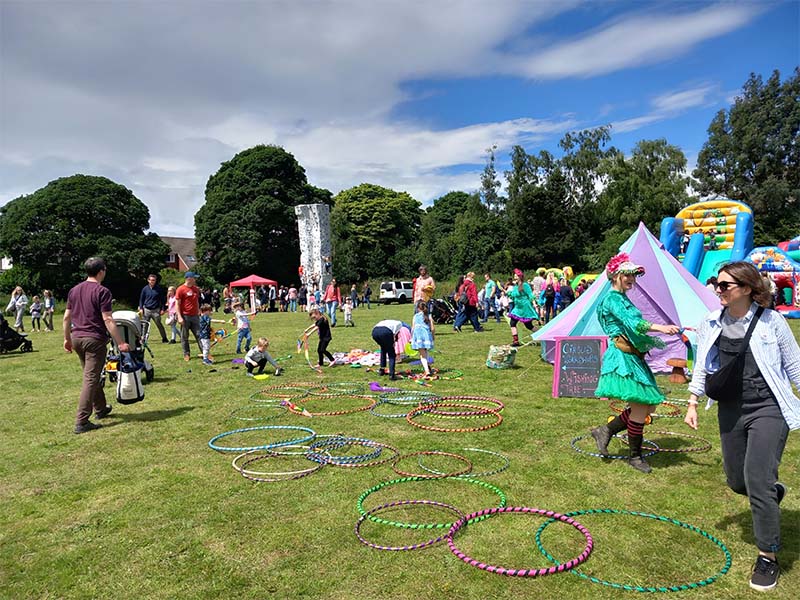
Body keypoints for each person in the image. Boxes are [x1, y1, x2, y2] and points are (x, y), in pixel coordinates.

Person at [684, 261, 800, 592]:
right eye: (716, 285)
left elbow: (794, 365)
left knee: (758, 479)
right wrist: (692, 402)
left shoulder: (771, 322)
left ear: (747, 289)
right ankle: (772, 494)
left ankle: (768, 557)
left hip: (768, 408)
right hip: (730, 409)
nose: (717, 290)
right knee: (737, 481)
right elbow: (702, 367)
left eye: (725, 286)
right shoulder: (710, 322)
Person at [589, 252, 680, 473]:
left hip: (632, 355)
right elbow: (633, 323)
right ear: (615, 275)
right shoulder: (612, 299)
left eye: (633, 275)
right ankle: (635, 456)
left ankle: (606, 430)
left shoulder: (621, 297)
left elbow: (632, 324)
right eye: (627, 274)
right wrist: (662, 328)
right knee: (641, 406)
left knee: (648, 404)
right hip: (622, 356)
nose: (631, 279)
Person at [63, 257, 130, 434]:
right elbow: (107, 318)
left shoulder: (74, 290)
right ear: (101, 271)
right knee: (91, 378)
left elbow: (66, 317)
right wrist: (121, 342)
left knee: (91, 374)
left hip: (77, 337)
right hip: (94, 340)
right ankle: (81, 421)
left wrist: (66, 339)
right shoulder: (102, 291)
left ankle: (101, 408)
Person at [175, 271, 203, 362]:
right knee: (185, 336)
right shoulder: (180, 289)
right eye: (194, 278)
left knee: (199, 335)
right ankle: (186, 354)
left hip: (195, 316)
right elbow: (177, 304)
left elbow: (196, 301)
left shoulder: (195, 289)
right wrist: (179, 316)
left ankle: (204, 352)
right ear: (189, 278)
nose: (195, 279)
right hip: (185, 316)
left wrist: (199, 311)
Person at [506, 269, 537, 346]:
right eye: (514, 276)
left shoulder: (525, 285)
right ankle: (515, 341)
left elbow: (530, 294)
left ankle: (542, 334)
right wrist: (508, 293)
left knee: (529, 326)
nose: (515, 277)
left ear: (520, 277)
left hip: (525, 308)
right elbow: (514, 296)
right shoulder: (515, 286)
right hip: (517, 308)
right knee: (512, 323)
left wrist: (534, 303)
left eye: (516, 276)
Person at [138, 274, 168, 343]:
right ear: (148, 280)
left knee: (159, 324)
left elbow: (162, 300)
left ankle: (164, 338)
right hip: (147, 310)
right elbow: (141, 299)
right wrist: (141, 308)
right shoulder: (145, 289)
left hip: (156, 310)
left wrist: (163, 309)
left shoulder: (158, 289)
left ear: (155, 281)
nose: (152, 281)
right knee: (145, 325)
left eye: (153, 280)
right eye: (150, 280)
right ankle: (143, 339)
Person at [411, 300, 435, 377]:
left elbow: (413, 328)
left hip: (418, 336)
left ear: (418, 308)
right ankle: (428, 368)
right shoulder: (429, 316)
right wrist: (433, 336)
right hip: (426, 336)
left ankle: (427, 371)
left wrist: (411, 338)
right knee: (425, 352)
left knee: (422, 355)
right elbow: (432, 328)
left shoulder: (415, 316)